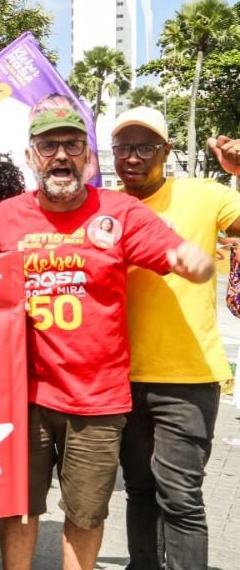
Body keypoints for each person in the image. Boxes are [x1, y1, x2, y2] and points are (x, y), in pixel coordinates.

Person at [0, 105, 214, 570]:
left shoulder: (119, 211)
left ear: (88, 157)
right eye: (49, 145)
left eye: (73, 145)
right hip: (22, 395)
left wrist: (193, 261)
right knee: (19, 506)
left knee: (87, 513)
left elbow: (171, 249)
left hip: (97, 400)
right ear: (32, 155)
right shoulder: (8, 215)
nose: (61, 155)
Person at [110, 107, 240, 570]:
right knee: (140, 490)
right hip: (119, 380)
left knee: (181, 496)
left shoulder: (205, 195)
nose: (133, 157)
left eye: (146, 146)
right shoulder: (103, 207)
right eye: (124, 146)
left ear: (167, 151)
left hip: (187, 376)